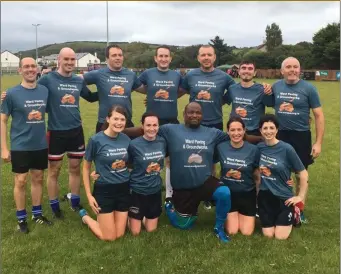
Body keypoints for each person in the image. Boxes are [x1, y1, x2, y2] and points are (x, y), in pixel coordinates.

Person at [124, 102, 232, 243]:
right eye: (190, 112)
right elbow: (148, 130)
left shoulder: (212, 132)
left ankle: (219, 228)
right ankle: (170, 207)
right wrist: (121, 131)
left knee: (224, 193)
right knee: (184, 226)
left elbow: (236, 137)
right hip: (182, 187)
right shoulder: (171, 130)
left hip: (204, 182)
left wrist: (263, 140)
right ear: (184, 114)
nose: (194, 115)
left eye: (198, 112)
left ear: (202, 115)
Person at [36, 47, 99, 218]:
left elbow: (91, 97)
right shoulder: (47, 79)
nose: (70, 62)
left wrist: (112, 91)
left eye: (73, 60)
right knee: (54, 170)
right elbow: (31, 92)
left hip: (75, 131)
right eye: (67, 59)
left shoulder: (78, 81)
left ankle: (75, 202)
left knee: (75, 168)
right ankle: (55, 206)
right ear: (59, 59)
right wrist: (10, 95)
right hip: (55, 132)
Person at [1, 57, 52, 233]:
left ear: (37, 70)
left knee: (38, 178)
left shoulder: (45, 91)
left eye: (33, 66)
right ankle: (21, 218)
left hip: (39, 144)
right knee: (21, 181)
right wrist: (4, 148)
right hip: (20, 145)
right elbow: (3, 120)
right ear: (20, 70)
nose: (30, 69)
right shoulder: (11, 93)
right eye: (26, 67)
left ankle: (37, 214)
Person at [271, 57, 324, 222]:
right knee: (280, 170)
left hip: (301, 135)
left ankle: (299, 208)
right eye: (288, 67)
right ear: (282, 71)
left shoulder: (309, 88)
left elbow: (318, 115)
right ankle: (283, 203)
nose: (292, 70)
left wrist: (318, 142)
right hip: (280, 135)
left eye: (295, 67)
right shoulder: (276, 86)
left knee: (300, 173)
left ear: (299, 70)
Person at [135, 45, 182, 204]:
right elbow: (136, 86)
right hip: (152, 123)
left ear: (170, 58)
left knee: (170, 158)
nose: (163, 59)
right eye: (160, 56)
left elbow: (181, 89)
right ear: (155, 58)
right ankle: (144, 187)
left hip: (171, 121)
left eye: (166, 56)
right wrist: (150, 94)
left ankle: (169, 193)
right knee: (148, 156)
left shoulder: (176, 75)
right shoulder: (148, 73)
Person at [79, 105, 131, 241]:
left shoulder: (126, 139)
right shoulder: (96, 140)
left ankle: (106, 219)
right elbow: (85, 168)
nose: (119, 123)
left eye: (122, 119)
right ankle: (86, 218)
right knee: (109, 238)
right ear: (108, 119)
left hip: (123, 189)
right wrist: (89, 196)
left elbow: (130, 164)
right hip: (104, 190)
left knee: (120, 235)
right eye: (115, 119)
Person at [257, 114, 308, 240]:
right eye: (265, 128)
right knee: (268, 235)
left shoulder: (286, 149)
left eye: (271, 128)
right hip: (265, 196)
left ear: (277, 130)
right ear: (260, 130)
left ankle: (295, 212)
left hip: (283, 197)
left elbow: (303, 173)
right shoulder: (259, 148)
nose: (268, 131)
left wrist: (300, 197)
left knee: (280, 237)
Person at [81, 44, 141, 133]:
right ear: (107, 59)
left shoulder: (130, 75)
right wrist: (90, 96)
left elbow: (143, 89)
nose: (118, 58)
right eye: (114, 55)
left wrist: (152, 96)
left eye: (120, 55)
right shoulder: (98, 74)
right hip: (105, 123)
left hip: (125, 122)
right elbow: (77, 80)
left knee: (128, 147)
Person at [215, 117, 260, 236]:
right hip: (229, 194)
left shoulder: (253, 150)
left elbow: (257, 174)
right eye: (232, 130)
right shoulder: (221, 147)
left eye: (239, 130)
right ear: (228, 131)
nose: (236, 133)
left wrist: (258, 195)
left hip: (247, 193)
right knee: (232, 231)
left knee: (247, 232)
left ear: (244, 130)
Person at [128, 112, 167, 235]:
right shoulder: (134, 144)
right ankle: (125, 217)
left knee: (151, 230)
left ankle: (142, 217)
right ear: (142, 126)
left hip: (155, 190)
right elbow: (128, 167)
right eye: (148, 125)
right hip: (137, 191)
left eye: (155, 125)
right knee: (135, 232)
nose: (152, 128)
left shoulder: (162, 142)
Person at [224, 60, 274, 141]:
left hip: (254, 132)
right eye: (243, 68)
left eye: (250, 69)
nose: (246, 71)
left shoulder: (263, 89)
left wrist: (269, 93)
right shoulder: (232, 88)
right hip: (235, 130)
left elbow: (271, 104)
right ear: (239, 71)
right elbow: (222, 101)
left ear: (254, 73)